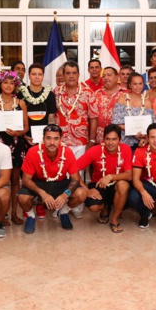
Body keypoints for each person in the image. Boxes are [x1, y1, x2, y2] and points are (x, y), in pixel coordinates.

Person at [18, 124, 88, 233]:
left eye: (56, 139)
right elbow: (26, 180)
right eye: (48, 138)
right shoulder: (33, 152)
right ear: (43, 139)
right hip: (39, 183)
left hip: (60, 183)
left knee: (82, 193)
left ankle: (63, 212)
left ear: (60, 140)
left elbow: (75, 179)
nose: (52, 142)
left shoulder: (67, 152)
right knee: (22, 197)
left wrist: (65, 195)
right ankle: (30, 216)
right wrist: (42, 193)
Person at [54, 61, 97, 218]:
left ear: (79, 75)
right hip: (60, 142)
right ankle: (60, 205)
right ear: (63, 75)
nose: (71, 76)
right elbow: (52, 116)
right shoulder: (56, 92)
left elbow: (93, 118)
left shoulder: (88, 93)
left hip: (80, 142)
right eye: (68, 73)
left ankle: (76, 205)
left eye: (74, 73)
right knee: (60, 174)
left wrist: (91, 142)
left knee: (77, 173)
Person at [76, 124, 132, 233]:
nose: (110, 143)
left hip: (116, 185)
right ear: (103, 139)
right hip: (98, 185)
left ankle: (114, 219)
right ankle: (105, 208)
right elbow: (74, 169)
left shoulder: (126, 149)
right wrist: (87, 190)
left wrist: (110, 177)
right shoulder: (95, 150)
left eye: (114, 139)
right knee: (93, 207)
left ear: (120, 140)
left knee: (123, 185)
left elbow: (129, 175)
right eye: (108, 139)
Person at [0, 70, 28, 226]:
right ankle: (1, 214)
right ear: (0, 84)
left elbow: (26, 127)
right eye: (5, 82)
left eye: (11, 83)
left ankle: (13, 213)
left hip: (16, 145)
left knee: (15, 181)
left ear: (15, 86)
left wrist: (18, 132)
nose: (8, 85)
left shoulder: (20, 103)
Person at [111, 72, 155, 149]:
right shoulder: (122, 99)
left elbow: (151, 125)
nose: (138, 87)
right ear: (130, 85)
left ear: (143, 85)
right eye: (135, 84)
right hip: (124, 142)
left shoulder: (147, 103)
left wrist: (144, 136)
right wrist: (133, 132)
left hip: (143, 142)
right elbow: (116, 122)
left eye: (140, 83)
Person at [94, 67, 125, 144]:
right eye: (104, 76)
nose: (106, 78)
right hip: (99, 140)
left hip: (120, 140)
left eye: (109, 75)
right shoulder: (96, 94)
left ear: (117, 78)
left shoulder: (126, 94)